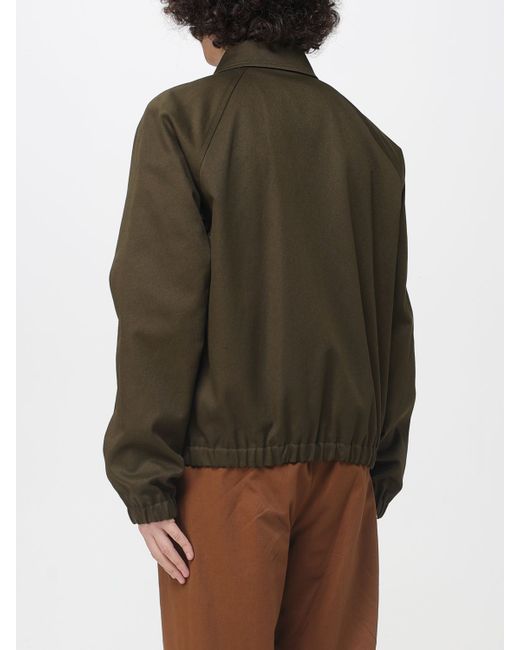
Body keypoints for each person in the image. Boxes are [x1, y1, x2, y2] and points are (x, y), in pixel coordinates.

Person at [103, 1, 416, 648]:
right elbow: (393, 323)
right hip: (347, 474)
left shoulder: (183, 121)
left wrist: (145, 477)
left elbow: (159, 310)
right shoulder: (370, 145)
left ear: (208, 17)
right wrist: (376, 472)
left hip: (228, 471)